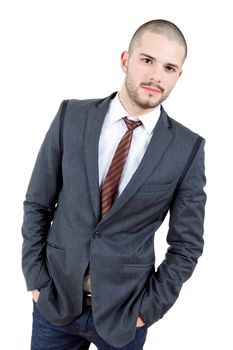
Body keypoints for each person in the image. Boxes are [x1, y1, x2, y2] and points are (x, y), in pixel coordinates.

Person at [22, 19, 206, 350]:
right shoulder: (72, 117)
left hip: (125, 317)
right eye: (147, 60)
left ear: (179, 75)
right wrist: (36, 280)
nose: (156, 76)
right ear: (126, 60)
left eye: (169, 67)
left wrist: (148, 310)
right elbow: (38, 203)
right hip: (55, 304)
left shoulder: (187, 148)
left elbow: (187, 244)